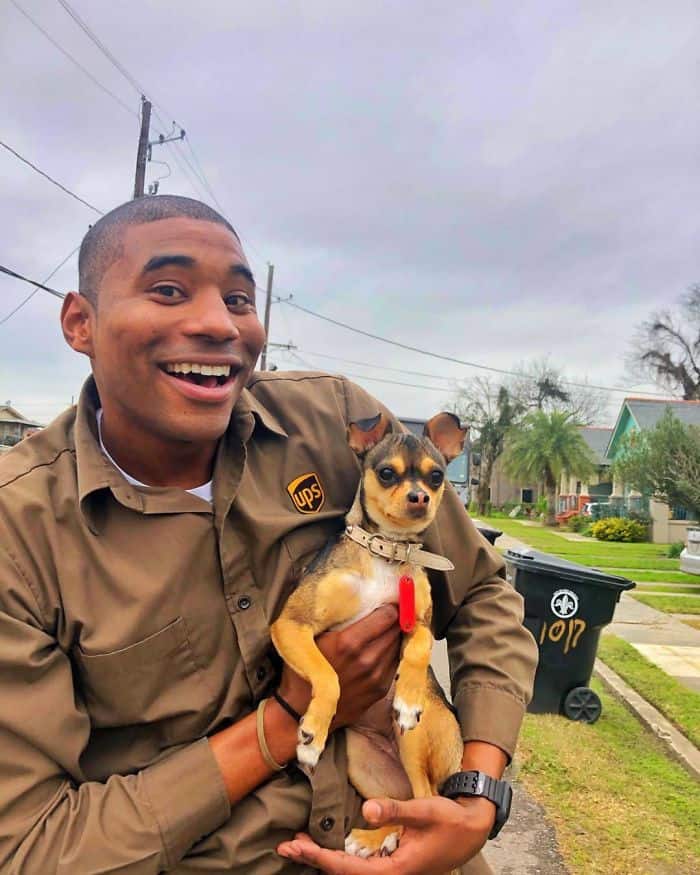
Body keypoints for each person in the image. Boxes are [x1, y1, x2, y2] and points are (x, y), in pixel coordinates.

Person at [0, 195, 537, 874]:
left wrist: (476, 796)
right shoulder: (20, 534)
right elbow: (33, 844)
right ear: (81, 322)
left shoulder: (336, 423)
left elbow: (482, 589)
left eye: (238, 299)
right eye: (168, 291)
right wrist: (283, 720)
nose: (218, 323)